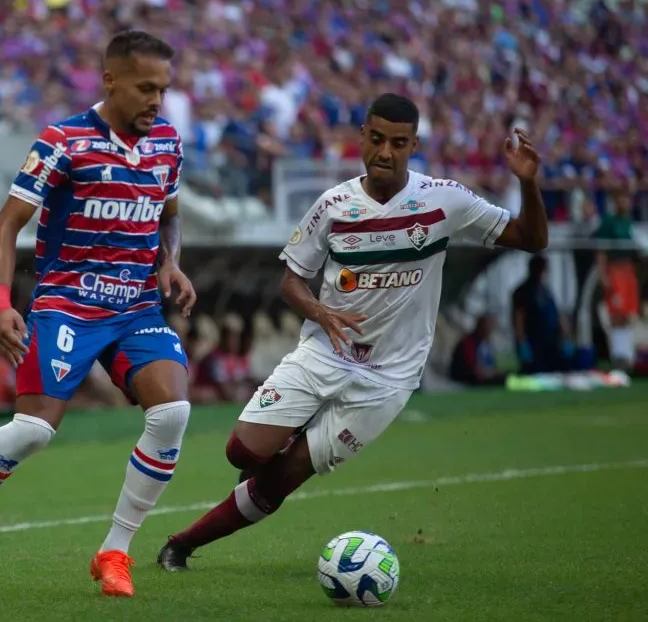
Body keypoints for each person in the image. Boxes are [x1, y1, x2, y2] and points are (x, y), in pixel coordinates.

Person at [155, 93, 548, 570]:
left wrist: (528, 186)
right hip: (323, 353)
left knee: (283, 478)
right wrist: (321, 312)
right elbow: (291, 280)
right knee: (241, 450)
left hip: (388, 379)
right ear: (362, 137)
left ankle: (180, 545)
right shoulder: (333, 205)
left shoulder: (445, 200)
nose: (385, 152)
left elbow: (531, 239)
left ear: (413, 145)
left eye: (398, 143)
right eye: (377, 139)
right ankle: (279, 451)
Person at [0, 30, 196, 599]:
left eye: (163, 89)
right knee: (34, 431)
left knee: (174, 413)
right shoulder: (64, 140)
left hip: (135, 305)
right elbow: (7, 224)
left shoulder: (167, 141)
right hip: (67, 303)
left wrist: (171, 264)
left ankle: (116, 551)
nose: (156, 101)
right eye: (145, 88)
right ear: (110, 80)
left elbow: (170, 213)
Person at [594, 191, 640, 371]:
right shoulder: (608, 222)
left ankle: (628, 355)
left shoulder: (628, 222)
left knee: (628, 312)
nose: (624, 202)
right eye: (621, 198)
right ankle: (618, 355)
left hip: (628, 271)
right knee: (617, 313)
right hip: (615, 270)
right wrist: (603, 274)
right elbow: (601, 250)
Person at [512, 255, 570, 374]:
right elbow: (519, 317)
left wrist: (565, 336)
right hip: (533, 339)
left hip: (550, 339)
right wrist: (522, 342)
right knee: (535, 370)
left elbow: (557, 314)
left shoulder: (546, 290)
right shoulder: (523, 291)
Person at [449, 314, 506, 386]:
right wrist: (488, 372)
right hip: (465, 376)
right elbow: (472, 366)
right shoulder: (469, 342)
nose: (489, 331)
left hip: (480, 373)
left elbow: (491, 363)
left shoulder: (486, 343)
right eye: (487, 328)